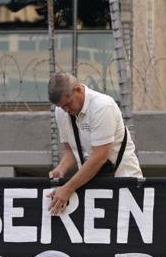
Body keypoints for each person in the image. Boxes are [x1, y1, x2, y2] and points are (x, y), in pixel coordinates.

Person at [47, 72, 141, 214]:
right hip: (88, 184)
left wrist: (67, 188)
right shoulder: (61, 112)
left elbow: (100, 157)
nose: (65, 110)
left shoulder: (102, 106)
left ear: (78, 90)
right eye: (61, 107)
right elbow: (70, 150)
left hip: (122, 182)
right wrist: (62, 168)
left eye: (67, 104)